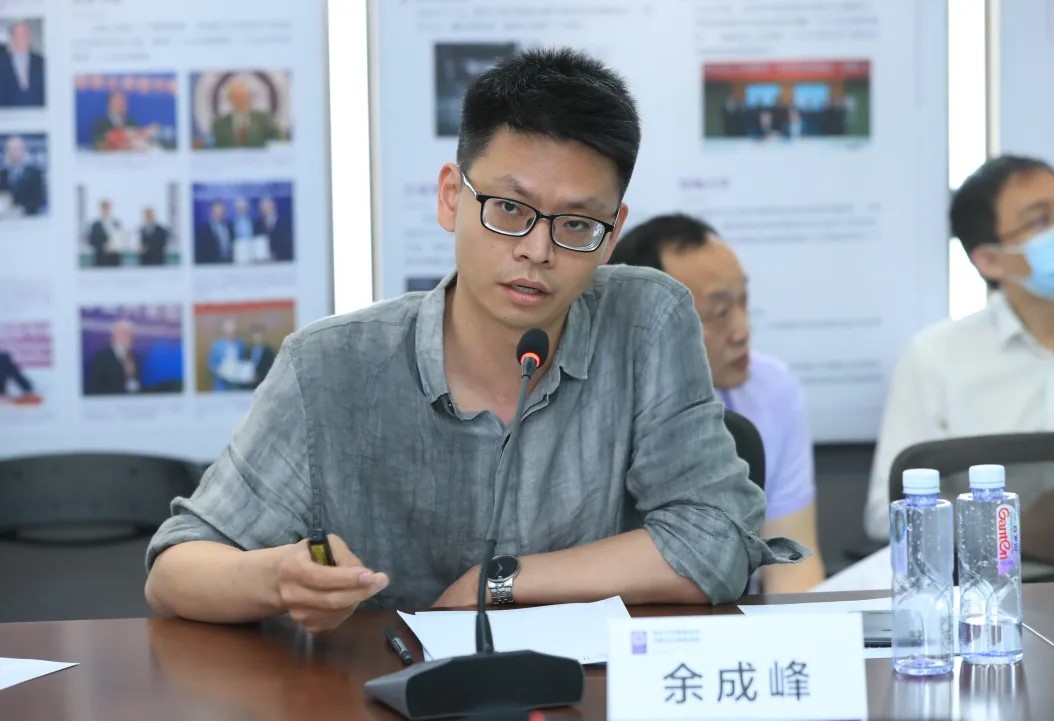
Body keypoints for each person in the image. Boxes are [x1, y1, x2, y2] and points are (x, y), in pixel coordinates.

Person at [145, 47, 802, 632]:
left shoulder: (647, 320)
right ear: (449, 198)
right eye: (510, 209)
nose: (537, 250)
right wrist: (277, 578)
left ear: (612, 233)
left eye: (577, 224)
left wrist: (498, 582)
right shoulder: (330, 366)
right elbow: (175, 569)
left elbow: (719, 537)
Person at [865, 155, 1054, 574]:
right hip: (990, 596)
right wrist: (1014, 531)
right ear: (991, 260)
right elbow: (883, 513)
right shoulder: (937, 356)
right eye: (1040, 222)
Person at [609, 214, 825, 593]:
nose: (742, 330)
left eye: (744, 301)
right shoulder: (597, 407)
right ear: (649, 322)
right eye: (720, 313)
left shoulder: (772, 390)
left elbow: (795, 572)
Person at [211, 77, 281, 149]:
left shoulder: (263, 120)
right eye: (237, 96)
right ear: (230, 99)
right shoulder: (219, 125)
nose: (242, 99)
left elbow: (279, 139)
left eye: (244, 95)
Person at [86, 319, 141, 395]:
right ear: (114, 335)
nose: (128, 337)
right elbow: (97, 385)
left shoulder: (135, 357)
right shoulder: (102, 356)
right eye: (124, 333)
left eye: (130, 334)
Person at [0, 20, 45, 107]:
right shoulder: (2, 65)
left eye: (25, 35)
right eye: (18, 36)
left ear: (30, 38)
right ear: (12, 39)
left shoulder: (42, 62)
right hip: (11, 113)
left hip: (39, 113)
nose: (22, 40)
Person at [0, 134, 45, 216]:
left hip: (30, 218)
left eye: (16, 149)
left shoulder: (35, 173)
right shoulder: (2, 174)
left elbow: (40, 199)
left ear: (23, 150)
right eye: (9, 149)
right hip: (6, 220)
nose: (13, 152)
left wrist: (23, 210)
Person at [207, 318, 247, 391]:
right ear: (224, 332)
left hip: (237, 385)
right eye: (228, 332)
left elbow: (244, 361)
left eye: (233, 332)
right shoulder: (216, 346)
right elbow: (211, 365)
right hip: (221, 385)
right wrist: (222, 371)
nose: (231, 334)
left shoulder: (240, 344)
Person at [256, 196, 292, 261]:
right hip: (265, 260)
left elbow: (287, 242)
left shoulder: (284, 223)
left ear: (273, 206)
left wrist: (277, 255)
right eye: (262, 207)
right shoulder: (258, 224)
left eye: (266, 206)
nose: (264, 209)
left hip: (282, 259)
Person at [88, 200, 122, 267]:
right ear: (100, 209)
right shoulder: (95, 225)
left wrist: (114, 247)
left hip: (114, 259)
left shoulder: (116, 224)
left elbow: (121, 239)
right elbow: (91, 241)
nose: (106, 210)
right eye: (104, 208)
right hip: (100, 259)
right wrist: (103, 247)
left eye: (107, 208)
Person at [245, 324, 276, 389]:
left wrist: (258, 377)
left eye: (259, 337)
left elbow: (272, 371)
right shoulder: (248, 352)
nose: (257, 339)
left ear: (264, 337)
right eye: (255, 337)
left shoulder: (269, 353)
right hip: (249, 387)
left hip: (264, 387)